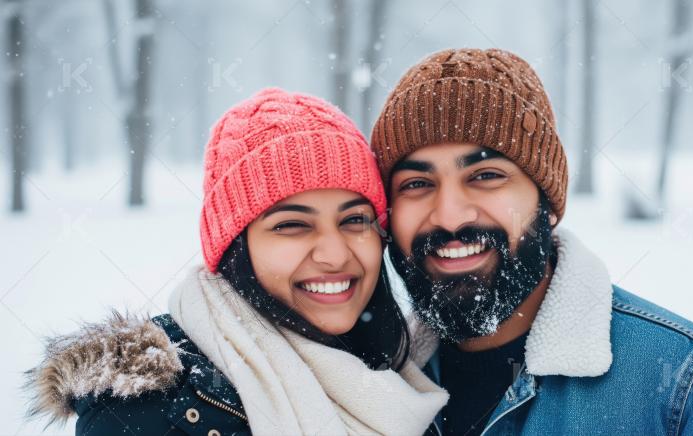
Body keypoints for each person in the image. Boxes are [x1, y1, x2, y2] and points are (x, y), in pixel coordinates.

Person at [371, 48, 693, 435]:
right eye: (417, 184)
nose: (450, 216)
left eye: (486, 176)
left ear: (547, 204)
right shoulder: (375, 386)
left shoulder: (683, 386)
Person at [25, 88, 447, 435]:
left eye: (355, 219)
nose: (335, 254)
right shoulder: (143, 413)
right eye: (291, 225)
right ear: (235, 247)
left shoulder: (405, 376)